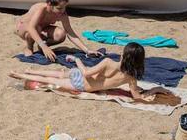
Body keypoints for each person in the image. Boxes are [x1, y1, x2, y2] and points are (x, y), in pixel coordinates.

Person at [11, 42, 155, 100]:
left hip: (81, 76)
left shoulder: (108, 62)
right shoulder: (131, 78)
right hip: (84, 86)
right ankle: (23, 75)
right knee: (53, 80)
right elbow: (137, 96)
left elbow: (86, 73)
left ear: (123, 55)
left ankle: (30, 72)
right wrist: (153, 91)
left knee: (58, 74)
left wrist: (77, 60)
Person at [15, 0, 98, 61]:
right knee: (36, 28)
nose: (63, 10)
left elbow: (70, 32)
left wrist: (87, 50)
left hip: (41, 28)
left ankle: (43, 45)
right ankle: (29, 47)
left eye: (64, 7)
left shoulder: (62, 13)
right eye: (59, 8)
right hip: (23, 28)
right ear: (49, 5)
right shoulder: (41, 9)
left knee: (61, 34)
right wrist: (44, 47)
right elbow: (31, 27)